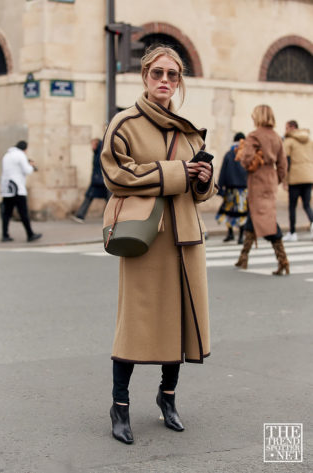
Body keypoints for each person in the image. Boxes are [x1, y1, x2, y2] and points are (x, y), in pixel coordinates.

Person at [101, 46, 217, 444]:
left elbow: (199, 192)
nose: (165, 81)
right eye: (157, 74)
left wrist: (202, 177)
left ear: (179, 81)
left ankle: (167, 399)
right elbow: (116, 175)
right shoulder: (125, 123)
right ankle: (120, 406)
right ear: (145, 76)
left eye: (172, 75)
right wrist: (177, 172)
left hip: (185, 239)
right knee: (135, 324)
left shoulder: (187, 128)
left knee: (179, 323)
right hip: (145, 240)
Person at [235, 105, 289, 275]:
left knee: (265, 218)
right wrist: (276, 180)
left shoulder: (254, 135)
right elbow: (283, 165)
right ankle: (244, 256)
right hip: (271, 179)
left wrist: (245, 162)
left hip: (257, 179)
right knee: (258, 215)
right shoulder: (276, 137)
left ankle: (283, 260)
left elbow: (247, 158)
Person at [0, 141, 42, 242]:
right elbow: (27, 170)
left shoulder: (7, 155)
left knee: (6, 213)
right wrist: (31, 166)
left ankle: (5, 235)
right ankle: (30, 234)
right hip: (17, 188)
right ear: (25, 149)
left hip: (7, 188)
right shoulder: (20, 155)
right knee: (23, 213)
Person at [282, 120, 313, 242]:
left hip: (295, 178)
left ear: (292, 127)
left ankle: (292, 232)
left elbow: (287, 162)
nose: (285, 130)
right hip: (308, 176)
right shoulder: (309, 141)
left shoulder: (289, 142)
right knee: (306, 204)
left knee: (292, 206)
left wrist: (285, 180)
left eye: (287, 127)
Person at [215, 132, 248, 244]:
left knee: (229, 212)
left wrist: (220, 188)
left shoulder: (229, 154)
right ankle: (240, 236)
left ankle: (231, 234)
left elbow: (223, 172)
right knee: (241, 213)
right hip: (242, 189)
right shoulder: (246, 155)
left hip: (230, 188)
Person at [71, 138, 109, 223]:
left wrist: (97, 177)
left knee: (94, 197)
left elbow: (101, 166)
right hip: (99, 180)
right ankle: (80, 215)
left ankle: (80, 215)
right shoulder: (97, 152)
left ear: (97, 144)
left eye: (92, 144)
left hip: (99, 180)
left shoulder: (100, 153)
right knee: (93, 197)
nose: (91, 147)